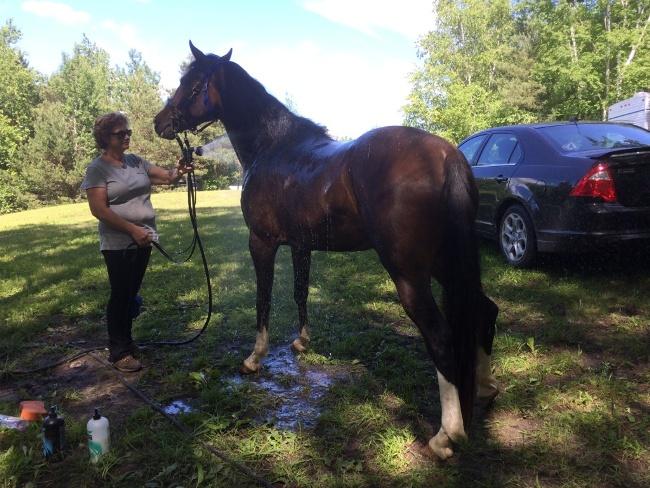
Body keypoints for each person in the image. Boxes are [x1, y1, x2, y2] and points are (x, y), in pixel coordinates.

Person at [81, 112, 192, 372]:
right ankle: (118, 352)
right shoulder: (97, 169)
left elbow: (165, 176)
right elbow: (99, 209)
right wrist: (132, 229)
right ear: (106, 138)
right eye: (121, 134)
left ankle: (127, 342)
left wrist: (179, 170)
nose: (127, 136)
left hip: (144, 239)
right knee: (120, 295)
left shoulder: (135, 162)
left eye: (128, 132)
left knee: (131, 294)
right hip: (119, 243)